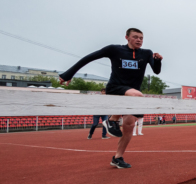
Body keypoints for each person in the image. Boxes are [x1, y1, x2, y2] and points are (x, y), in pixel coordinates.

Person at [59, 28, 163, 169]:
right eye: (135, 37)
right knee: (138, 95)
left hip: (131, 93)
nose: (139, 40)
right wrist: (68, 74)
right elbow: (89, 57)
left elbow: (156, 71)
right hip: (116, 88)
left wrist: (157, 60)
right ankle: (112, 119)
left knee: (129, 126)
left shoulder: (146, 53)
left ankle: (117, 158)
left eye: (141, 38)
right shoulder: (114, 49)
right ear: (127, 37)